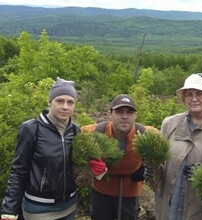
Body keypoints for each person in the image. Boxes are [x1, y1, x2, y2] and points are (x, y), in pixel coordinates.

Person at [1, 77, 79, 220]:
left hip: (69, 206)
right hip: (38, 208)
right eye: (60, 100)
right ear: (50, 102)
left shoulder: (75, 131)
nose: (65, 107)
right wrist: (8, 209)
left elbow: (78, 168)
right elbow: (19, 170)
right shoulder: (32, 129)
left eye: (70, 102)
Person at [81, 94, 158, 220]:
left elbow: (165, 154)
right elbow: (74, 145)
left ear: (135, 115)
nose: (124, 116)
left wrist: (147, 167)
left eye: (130, 112)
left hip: (130, 196)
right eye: (119, 111)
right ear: (110, 114)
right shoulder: (94, 132)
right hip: (101, 194)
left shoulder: (147, 135)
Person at [155, 73, 202, 220]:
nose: (194, 99)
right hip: (170, 206)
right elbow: (161, 163)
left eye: (200, 94)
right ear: (183, 98)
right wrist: (152, 171)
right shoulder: (170, 124)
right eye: (189, 94)